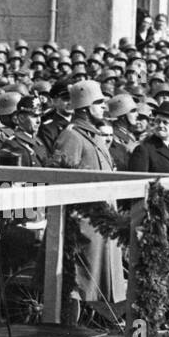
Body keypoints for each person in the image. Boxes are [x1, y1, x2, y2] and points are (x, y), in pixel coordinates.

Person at [49, 80, 125, 324]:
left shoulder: (94, 135)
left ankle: (99, 321)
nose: (104, 107)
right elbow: (58, 177)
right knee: (80, 283)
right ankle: (70, 327)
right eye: (99, 103)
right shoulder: (71, 136)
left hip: (102, 221)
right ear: (84, 107)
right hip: (84, 223)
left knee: (101, 282)